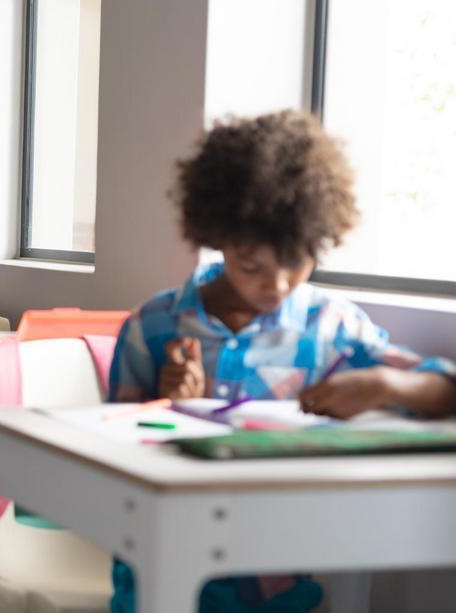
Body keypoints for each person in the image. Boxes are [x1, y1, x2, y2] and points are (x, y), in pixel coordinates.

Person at [108, 110, 456, 612]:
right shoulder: (153, 326)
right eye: (252, 267)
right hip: (161, 577)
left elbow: (445, 385)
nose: (275, 286)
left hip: (281, 585)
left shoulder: (333, 327)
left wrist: (386, 385)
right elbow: (107, 458)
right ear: (219, 239)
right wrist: (161, 407)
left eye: (296, 264)